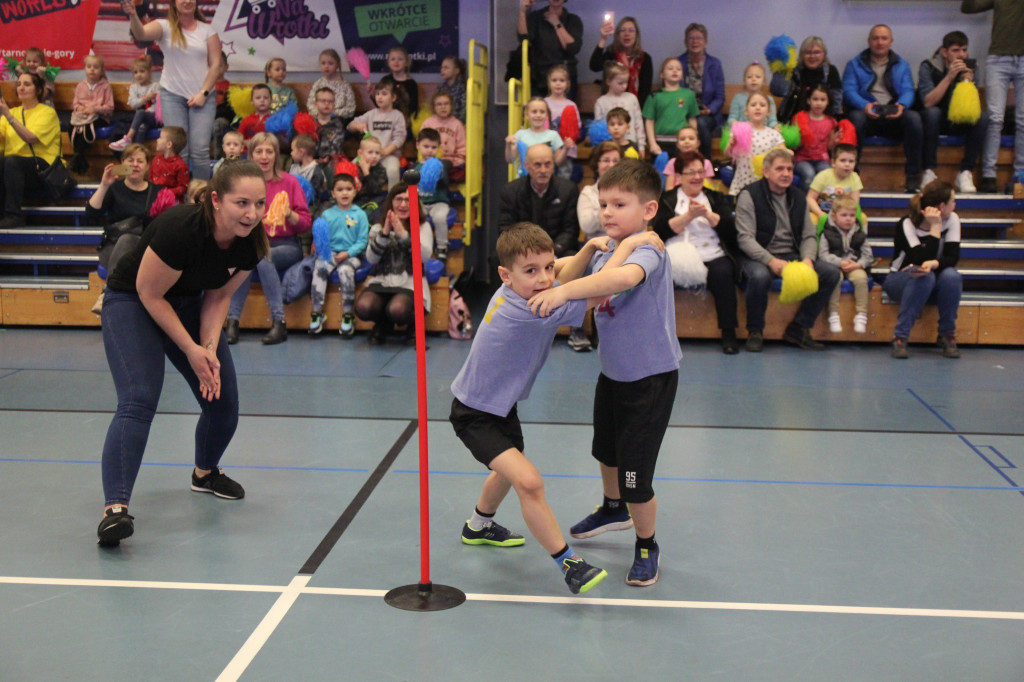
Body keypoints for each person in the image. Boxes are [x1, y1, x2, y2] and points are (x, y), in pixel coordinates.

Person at [452, 223, 655, 594]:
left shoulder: (515, 287)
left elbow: (562, 270)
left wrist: (589, 248)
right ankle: (569, 563)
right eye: (532, 271)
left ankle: (478, 525)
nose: (545, 278)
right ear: (506, 275)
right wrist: (631, 244)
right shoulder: (533, 309)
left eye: (547, 267)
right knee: (528, 481)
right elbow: (606, 285)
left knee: (508, 470)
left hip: (500, 407)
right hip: (473, 413)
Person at [95, 159, 269, 547]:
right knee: (139, 398)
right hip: (133, 302)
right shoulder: (181, 229)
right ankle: (115, 510)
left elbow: (220, 294)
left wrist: (208, 349)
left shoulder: (253, 241)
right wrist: (189, 349)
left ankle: (204, 474)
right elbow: (149, 294)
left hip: (189, 303)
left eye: (259, 203)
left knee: (221, 399)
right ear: (216, 200)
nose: (252, 213)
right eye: (242, 203)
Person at [526, 159, 677, 587]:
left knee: (636, 476)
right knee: (606, 452)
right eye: (603, 203)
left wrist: (563, 295)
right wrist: (592, 249)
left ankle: (647, 544)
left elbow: (618, 282)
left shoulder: (648, 249)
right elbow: (569, 275)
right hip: (614, 373)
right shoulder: (614, 246)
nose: (608, 212)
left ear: (648, 210)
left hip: (649, 379)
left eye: (619, 204)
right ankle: (613, 508)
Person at [735, 148, 841, 351]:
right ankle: (755, 331)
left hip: (791, 254)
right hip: (757, 254)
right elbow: (745, 239)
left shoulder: (799, 197)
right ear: (766, 172)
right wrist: (770, 261)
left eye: (790, 169)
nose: (786, 174)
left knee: (830, 273)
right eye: (780, 169)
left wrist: (808, 259)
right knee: (759, 277)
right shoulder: (749, 195)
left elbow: (808, 235)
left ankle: (799, 328)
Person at [122, 0, 224, 181]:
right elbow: (141, 33)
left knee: (200, 150)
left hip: (203, 97)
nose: (187, 1)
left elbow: (216, 66)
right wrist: (132, 15)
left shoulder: (207, 30)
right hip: (172, 95)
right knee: (178, 150)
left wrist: (203, 93)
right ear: (174, 3)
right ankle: (180, 200)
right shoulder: (164, 26)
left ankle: (200, 199)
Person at [225, 133, 312, 345]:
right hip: (252, 244)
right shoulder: (243, 185)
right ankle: (233, 322)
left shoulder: (290, 182)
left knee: (261, 257)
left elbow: (305, 223)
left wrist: (289, 214)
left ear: (276, 155)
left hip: (286, 245)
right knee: (252, 256)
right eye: (259, 151)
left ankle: (278, 321)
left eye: (269, 151)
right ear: (251, 155)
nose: (264, 156)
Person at [652, 150, 739, 354]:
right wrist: (688, 216)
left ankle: (729, 332)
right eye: (691, 172)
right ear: (679, 176)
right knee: (659, 275)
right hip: (677, 252)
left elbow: (730, 231)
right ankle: (658, 333)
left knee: (724, 272)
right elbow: (659, 231)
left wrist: (708, 215)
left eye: (700, 172)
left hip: (711, 252)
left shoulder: (716, 197)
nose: (697, 177)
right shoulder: (667, 198)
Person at [884, 181, 962, 359]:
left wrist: (934, 264)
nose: (955, 205)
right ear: (941, 206)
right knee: (923, 277)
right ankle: (900, 337)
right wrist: (935, 227)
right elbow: (918, 260)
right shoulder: (907, 224)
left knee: (952, 276)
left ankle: (947, 335)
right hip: (901, 280)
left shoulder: (953, 220)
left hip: (934, 280)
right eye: (952, 201)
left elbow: (952, 258)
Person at [842, 24, 923, 193]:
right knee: (855, 119)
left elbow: (908, 90)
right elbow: (848, 91)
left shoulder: (902, 64)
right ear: (869, 41)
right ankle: (852, 175)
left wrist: (901, 105)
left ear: (891, 41)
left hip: (894, 114)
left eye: (884, 38)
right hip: (867, 113)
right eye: (876, 38)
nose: (880, 42)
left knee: (914, 119)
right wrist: (864, 106)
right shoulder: (854, 64)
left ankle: (913, 177)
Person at [355, 182, 433, 345]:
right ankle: (382, 324)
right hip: (382, 282)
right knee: (363, 306)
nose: (403, 204)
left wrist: (404, 235)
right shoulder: (378, 228)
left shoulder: (422, 227)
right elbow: (371, 259)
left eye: (408, 200)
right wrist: (384, 234)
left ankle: (413, 326)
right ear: (391, 202)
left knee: (397, 309)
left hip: (410, 284)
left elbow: (424, 257)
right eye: (398, 199)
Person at [961, 0, 1024, 193]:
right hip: (998, 59)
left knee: (1023, 119)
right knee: (995, 118)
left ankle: (1020, 175)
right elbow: (968, 7)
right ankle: (989, 174)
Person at [917, 31, 988, 193]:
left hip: (959, 118)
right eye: (956, 50)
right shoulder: (928, 66)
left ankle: (965, 172)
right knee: (931, 113)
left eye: (964, 50)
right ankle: (928, 171)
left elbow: (971, 106)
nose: (961, 55)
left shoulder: (972, 67)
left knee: (982, 118)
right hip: (936, 121)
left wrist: (966, 82)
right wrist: (949, 77)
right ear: (944, 52)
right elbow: (928, 102)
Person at [309, 174, 368, 338]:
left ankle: (348, 314)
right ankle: (317, 313)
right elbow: (321, 240)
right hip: (330, 253)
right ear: (333, 193)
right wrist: (327, 253)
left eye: (348, 189)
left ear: (355, 192)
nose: (344, 193)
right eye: (340, 190)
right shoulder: (327, 215)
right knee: (320, 268)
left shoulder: (360, 214)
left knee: (345, 271)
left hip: (351, 254)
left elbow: (362, 241)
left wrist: (348, 253)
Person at [0, 73, 62, 228]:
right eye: (19, 84)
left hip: (43, 169)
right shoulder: (12, 113)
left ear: (38, 89)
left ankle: (13, 215)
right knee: (7, 162)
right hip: (13, 169)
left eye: (27, 84)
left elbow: (30, 138)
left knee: (12, 161)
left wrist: (7, 115)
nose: (21, 87)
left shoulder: (47, 112)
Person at [499, 144, 579, 259]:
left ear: (553, 165)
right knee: (497, 258)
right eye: (537, 165)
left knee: (573, 257)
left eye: (548, 164)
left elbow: (570, 230)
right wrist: (525, 253)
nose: (543, 170)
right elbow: (505, 229)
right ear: (526, 166)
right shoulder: (510, 191)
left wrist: (553, 252)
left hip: (557, 250)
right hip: (521, 251)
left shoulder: (569, 190)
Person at [816, 194, 873, 334]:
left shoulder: (859, 233)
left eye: (852, 215)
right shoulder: (827, 233)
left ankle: (861, 314)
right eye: (844, 215)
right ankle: (833, 314)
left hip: (854, 264)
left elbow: (868, 256)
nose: (849, 219)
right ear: (834, 216)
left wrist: (858, 265)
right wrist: (839, 262)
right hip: (834, 265)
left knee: (861, 278)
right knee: (835, 278)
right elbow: (822, 255)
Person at [677, 23, 725, 160]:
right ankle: (679, 165)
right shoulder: (678, 63)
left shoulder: (715, 64)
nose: (695, 41)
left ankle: (705, 162)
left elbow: (720, 96)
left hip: (708, 114)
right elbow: (675, 91)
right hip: (684, 112)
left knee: (702, 123)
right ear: (686, 42)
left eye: (699, 38)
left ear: (706, 41)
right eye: (691, 38)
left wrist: (709, 110)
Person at [516, 0, 583, 99]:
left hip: (564, 75)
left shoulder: (573, 20)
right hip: (539, 76)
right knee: (537, 111)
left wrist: (557, 23)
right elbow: (524, 39)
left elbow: (573, 48)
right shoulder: (536, 17)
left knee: (563, 111)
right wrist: (522, 12)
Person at [770, 36, 844, 123]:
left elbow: (836, 99)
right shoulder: (793, 69)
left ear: (824, 54)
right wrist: (781, 68)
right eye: (808, 52)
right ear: (802, 55)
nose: (812, 56)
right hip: (792, 120)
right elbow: (778, 91)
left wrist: (833, 121)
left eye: (817, 52)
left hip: (822, 120)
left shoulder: (831, 71)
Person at [347, 81, 406, 189]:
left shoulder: (397, 116)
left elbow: (399, 139)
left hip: (388, 156)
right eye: (377, 94)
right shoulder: (371, 114)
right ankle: (353, 196)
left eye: (384, 94)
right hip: (368, 154)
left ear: (393, 98)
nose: (379, 97)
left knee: (393, 170)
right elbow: (350, 125)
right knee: (350, 167)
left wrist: (384, 152)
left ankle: (392, 197)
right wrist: (358, 126)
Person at [726, 92, 786, 196]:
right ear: (746, 111)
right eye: (753, 105)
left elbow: (784, 153)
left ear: (768, 112)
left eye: (762, 105)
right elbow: (728, 154)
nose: (758, 108)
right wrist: (731, 145)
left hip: (765, 184)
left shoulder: (774, 134)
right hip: (743, 181)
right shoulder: (739, 130)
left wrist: (788, 152)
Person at [589, 15, 652, 106]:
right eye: (623, 30)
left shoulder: (645, 59)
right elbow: (594, 66)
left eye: (631, 30)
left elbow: (645, 90)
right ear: (617, 35)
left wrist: (635, 111)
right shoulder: (611, 54)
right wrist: (603, 38)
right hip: (612, 106)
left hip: (636, 107)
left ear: (636, 35)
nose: (627, 34)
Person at [643, 57, 699, 158]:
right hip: (660, 141)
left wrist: (693, 141)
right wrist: (652, 143)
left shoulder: (689, 94)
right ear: (662, 75)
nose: (674, 71)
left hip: (682, 141)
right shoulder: (655, 95)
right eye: (670, 68)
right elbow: (649, 121)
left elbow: (692, 119)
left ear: (682, 75)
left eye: (678, 69)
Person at [792, 85, 843, 192]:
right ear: (808, 101)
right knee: (808, 173)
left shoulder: (831, 121)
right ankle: (806, 204)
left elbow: (829, 147)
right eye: (815, 99)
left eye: (823, 100)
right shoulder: (800, 117)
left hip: (822, 159)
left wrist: (834, 142)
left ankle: (824, 203)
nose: (819, 103)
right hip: (802, 159)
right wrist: (799, 140)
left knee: (827, 172)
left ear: (828, 102)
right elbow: (794, 144)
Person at [413, 128, 451, 261]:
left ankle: (442, 246)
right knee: (414, 217)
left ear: (439, 148)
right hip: (421, 203)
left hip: (438, 202)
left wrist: (439, 174)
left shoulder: (440, 166)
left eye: (433, 147)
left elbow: (445, 182)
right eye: (426, 146)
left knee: (440, 218)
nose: (429, 150)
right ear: (418, 145)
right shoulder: (414, 167)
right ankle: (415, 246)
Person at [109, 56, 161, 151]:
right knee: (141, 128)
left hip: (153, 117)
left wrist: (146, 111)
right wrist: (145, 98)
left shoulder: (155, 86)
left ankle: (128, 138)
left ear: (149, 72)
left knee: (141, 113)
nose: (139, 75)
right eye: (135, 72)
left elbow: (158, 106)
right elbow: (133, 104)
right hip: (141, 120)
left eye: (142, 71)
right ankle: (138, 152)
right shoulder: (134, 88)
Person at [594, 62, 645, 155]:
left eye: (626, 82)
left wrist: (641, 145)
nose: (624, 86)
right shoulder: (601, 102)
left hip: (630, 144)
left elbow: (639, 123)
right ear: (609, 81)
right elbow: (598, 128)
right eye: (620, 83)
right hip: (610, 147)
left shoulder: (632, 98)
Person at [505, 97, 565, 171]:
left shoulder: (553, 135)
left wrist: (566, 149)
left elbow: (559, 162)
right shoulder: (520, 135)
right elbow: (510, 160)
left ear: (547, 115)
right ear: (527, 115)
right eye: (534, 112)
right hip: (524, 179)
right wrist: (508, 145)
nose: (538, 115)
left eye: (542, 112)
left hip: (546, 178)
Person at [807, 143, 864, 220]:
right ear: (833, 162)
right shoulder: (823, 176)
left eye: (851, 161)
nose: (847, 164)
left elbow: (854, 203)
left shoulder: (855, 177)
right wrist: (820, 214)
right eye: (843, 160)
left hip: (845, 213)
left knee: (862, 218)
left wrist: (845, 216)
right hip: (824, 210)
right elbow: (810, 198)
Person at [578, 141, 622, 240]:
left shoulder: (628, 193)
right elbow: (586, 227)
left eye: (615, 161)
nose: (611, 165)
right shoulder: (588, 192)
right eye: (606, 160)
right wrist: (604, 201)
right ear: (596, 164)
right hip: (598, 248)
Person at [543, 64, 581, 178]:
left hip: (566, 150)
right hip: (547, 149)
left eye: (562, 80)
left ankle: (562, 196)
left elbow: (577, 126)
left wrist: (569, 141)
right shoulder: (544, 103)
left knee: (564, 177)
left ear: (567, 84)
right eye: (554, 80)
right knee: (547, 177)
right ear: (549, 83)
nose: (558, 83)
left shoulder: (571, 105)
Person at [306, 49, 356, 123]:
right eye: (323, 63)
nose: (326, 66)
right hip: (319, 120)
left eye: (330, 63)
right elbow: (310, 105)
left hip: (339, 121)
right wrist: (321, 113)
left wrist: (334, 113)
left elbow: (351, 109)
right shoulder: (318, 84)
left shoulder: (344, 85)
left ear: (337, 65)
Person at [421, 91, 467, 170]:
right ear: (433, 107)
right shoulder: (428, 123)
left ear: (451, 106)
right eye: (439, 104)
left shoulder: (457, 124)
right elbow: (421, 144)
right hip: (430, 159)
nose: (443, 107)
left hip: (450, 161)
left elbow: (462, 147)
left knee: (440, 167)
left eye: (446, 104)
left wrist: (458, 162)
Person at [726, 62, 779, 129]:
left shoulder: (769, 100)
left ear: (763, 80)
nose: (753, 79)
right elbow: (732, 118)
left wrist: (775, 126)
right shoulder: (738, 98)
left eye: (758, 77)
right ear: (744, 80)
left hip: (763, 134)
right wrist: (735, 124)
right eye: (749, 77)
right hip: (743, 133)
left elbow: (772, 121)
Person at [150, 126, 191, 202]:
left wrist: (167, 193)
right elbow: (151, 179)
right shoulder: (156, 160)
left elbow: (183, 187)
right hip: (154, 198)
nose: (157, 140)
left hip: (172, 201)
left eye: (160, 137)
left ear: (169, 144)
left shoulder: (180, 165)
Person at [378, 46, 419, 118]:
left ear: (406, 63)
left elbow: (413, 107)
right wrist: (372, 95)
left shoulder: (411, 84)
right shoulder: (385, 80)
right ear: (388, 62)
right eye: (393, 59)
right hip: (387, 117)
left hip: (405, 119)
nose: (396, 61)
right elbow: (380, 103)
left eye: (400, 59)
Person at [436, 55, 467, 123]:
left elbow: (463, 111)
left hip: (457, 124)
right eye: (442, 67)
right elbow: (435, 108)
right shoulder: (440, 89)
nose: (442, 70)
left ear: (456, 71)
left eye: (446, 68)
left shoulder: (462, 89)